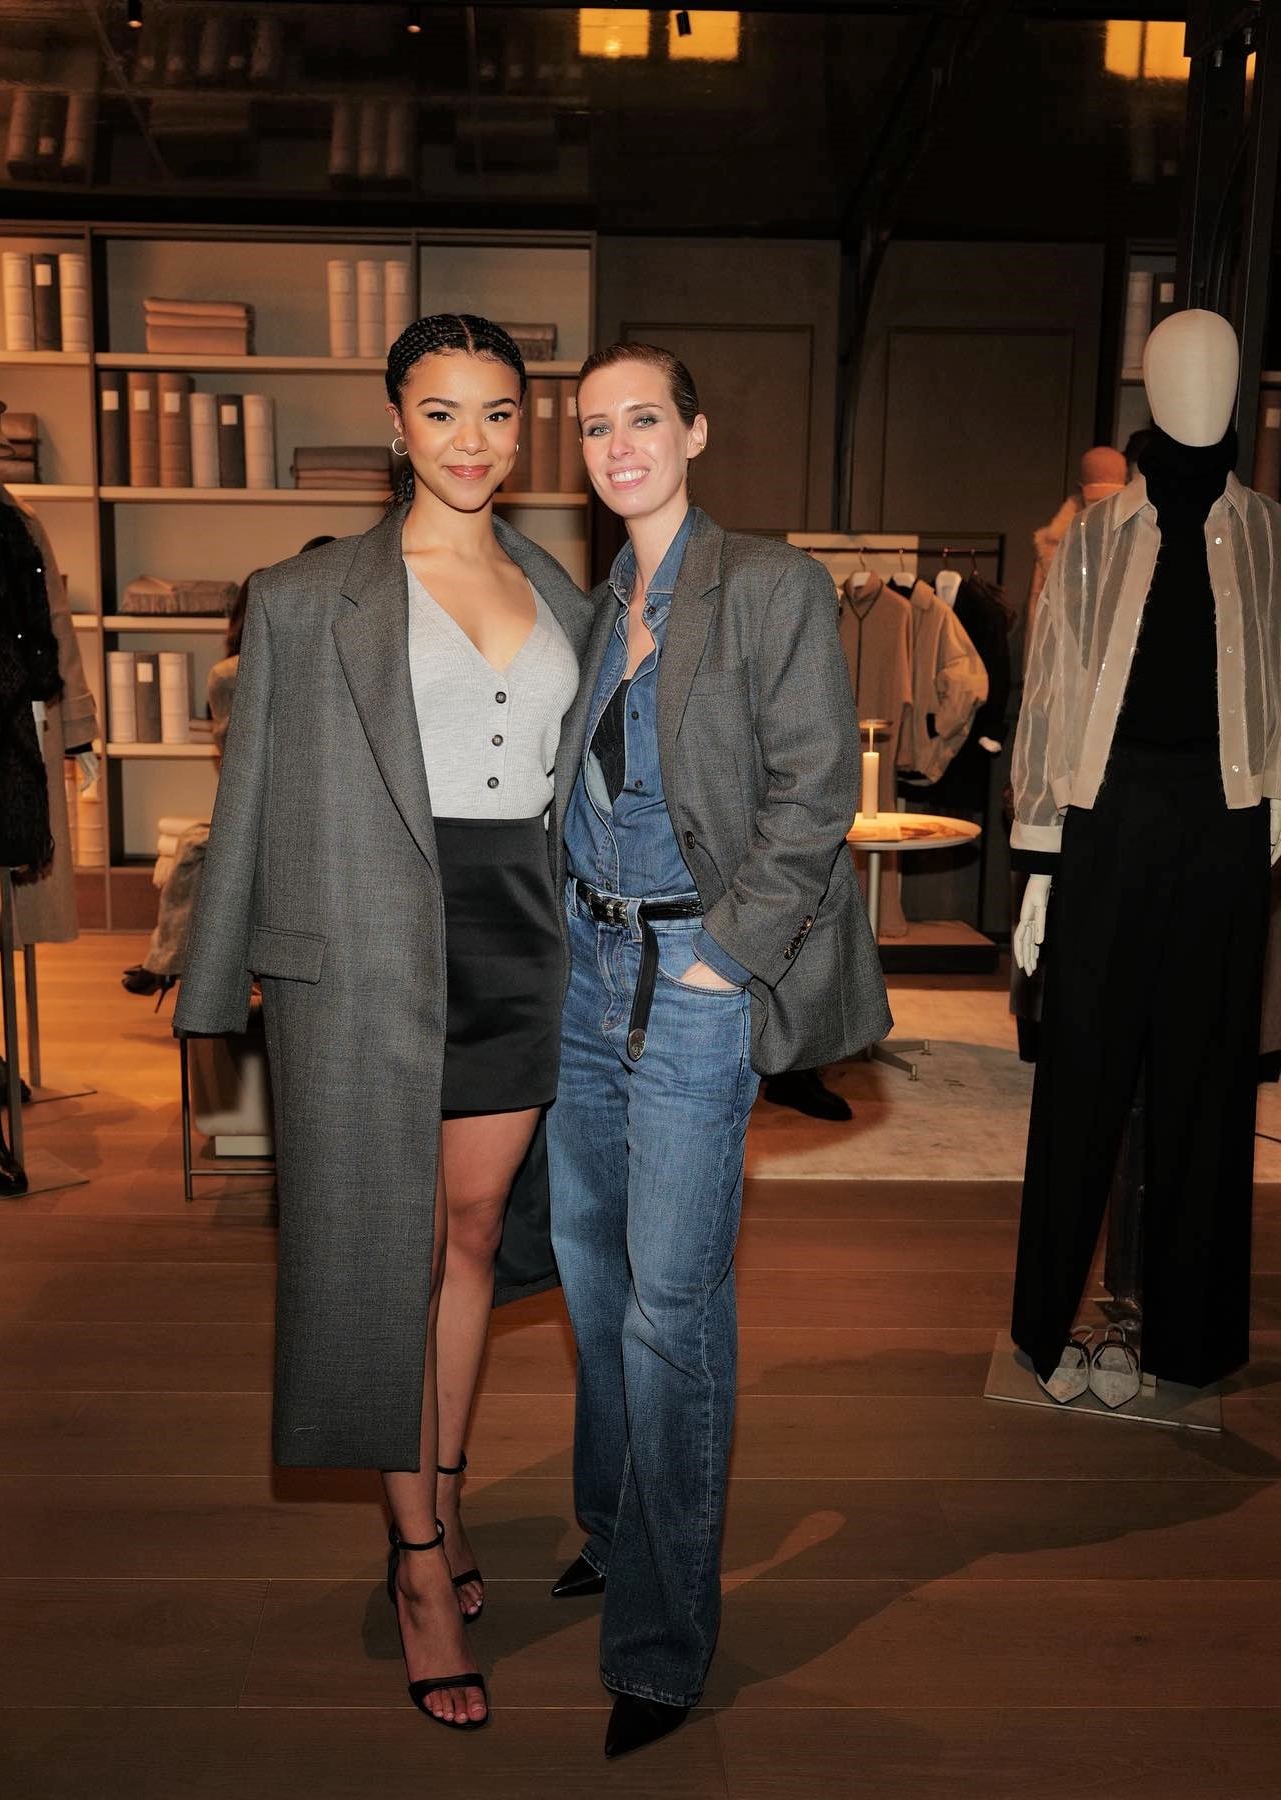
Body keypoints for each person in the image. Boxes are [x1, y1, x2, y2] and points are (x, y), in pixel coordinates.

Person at [173, 316, 593, 1732]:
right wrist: (214, 982)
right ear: (396, 425)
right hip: (361, 947)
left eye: (498, 413)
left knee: (473, 1238)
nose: (473, 441)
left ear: (524, 426)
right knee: (389, 1258)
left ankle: (446, 1497)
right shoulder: (307, 598)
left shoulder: (563, 591)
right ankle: (416, 1563)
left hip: (518, 940)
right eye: (442, 411)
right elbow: (246, 797)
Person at [546, 342, 891, 1759]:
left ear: (694, 431)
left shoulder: (768, 584)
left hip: (693, 976)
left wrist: (723, 957)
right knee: (591, 1275)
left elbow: (815, 794)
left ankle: (660, 1646)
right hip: (582, 969)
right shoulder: (593, 603)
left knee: (671, 1310)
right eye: (594, 427)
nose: (618, 445)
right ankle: (613, 1529)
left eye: (644, 418)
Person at [120, 542, 336, 1002]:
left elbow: (234, 755)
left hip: (282, 808)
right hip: (285, 804)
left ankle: (168, 965)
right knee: (197, 845)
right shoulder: (262, 667)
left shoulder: (232, 672)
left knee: (196, 848)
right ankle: (170, 965)